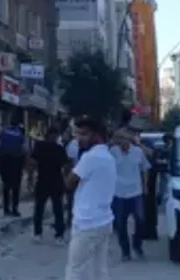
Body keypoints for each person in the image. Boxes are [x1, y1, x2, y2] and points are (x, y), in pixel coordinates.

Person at [65, 116, 116, 280]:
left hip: (86, 222)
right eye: (78, 134)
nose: (79, 138)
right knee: (99, 269)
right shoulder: (109, 158)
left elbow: (69, 182)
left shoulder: (90, 157)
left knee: (76, 269)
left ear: (97, 135)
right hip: (104, 220)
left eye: (84, 134)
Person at [108, 129, 149, 260]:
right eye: (120, 139)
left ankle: (137, 244)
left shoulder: (138, 152)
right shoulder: (112, 152)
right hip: (119, 192)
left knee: (141, 220)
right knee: (121, 223)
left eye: (125, 139)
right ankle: (125, 251)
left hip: (135, 191)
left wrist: (145, 185)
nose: (122, 142)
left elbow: (145, 169)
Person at [30, 126, 69, 242]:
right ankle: (59, 235)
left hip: (43, 180)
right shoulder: (59, 149)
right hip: (55, 181)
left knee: (40, 208)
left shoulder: (39, 146)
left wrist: (31, 176)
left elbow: (32, 162)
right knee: (57, 208)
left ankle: (38, 233)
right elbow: (65, 166)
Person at [0, 116, 29, 216]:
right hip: (16, 162)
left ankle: (6, 209)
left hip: (5, 161)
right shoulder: (20, 134)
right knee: (16, 187)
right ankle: (15, 209)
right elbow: (25, 149)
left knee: (6, 186)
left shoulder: (3, 131)